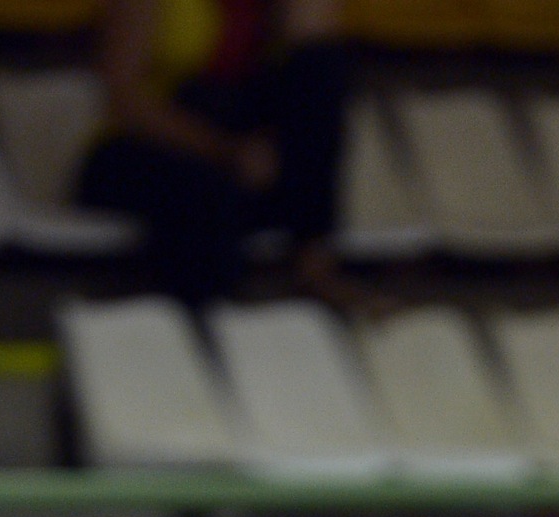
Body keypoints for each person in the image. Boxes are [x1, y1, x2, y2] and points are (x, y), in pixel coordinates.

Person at [76, 0, 356, 312]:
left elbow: (308, 93)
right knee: (205, 195)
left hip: (241, 156)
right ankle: (197, 326)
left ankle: (316, 266)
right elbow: (125, 102)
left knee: (319, 66)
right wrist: (225, 150)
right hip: (147, 151)